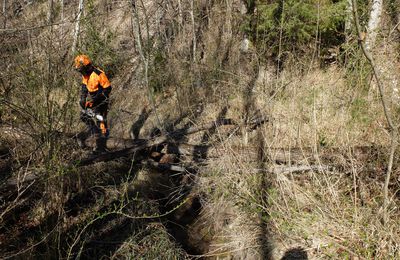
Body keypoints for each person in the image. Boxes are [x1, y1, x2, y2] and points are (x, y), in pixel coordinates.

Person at [74, 54, 112, 153]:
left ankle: (103, 144)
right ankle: (95, 133)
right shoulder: (85, 75)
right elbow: (84, 86)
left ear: (86, 67)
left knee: (100, 119)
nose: (81, 72)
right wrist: (83, 98)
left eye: (81, 69)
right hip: (93, 100)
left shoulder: (99, 74)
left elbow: (107, 89)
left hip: (102, 100)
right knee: (84, 115)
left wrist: (96, 100)